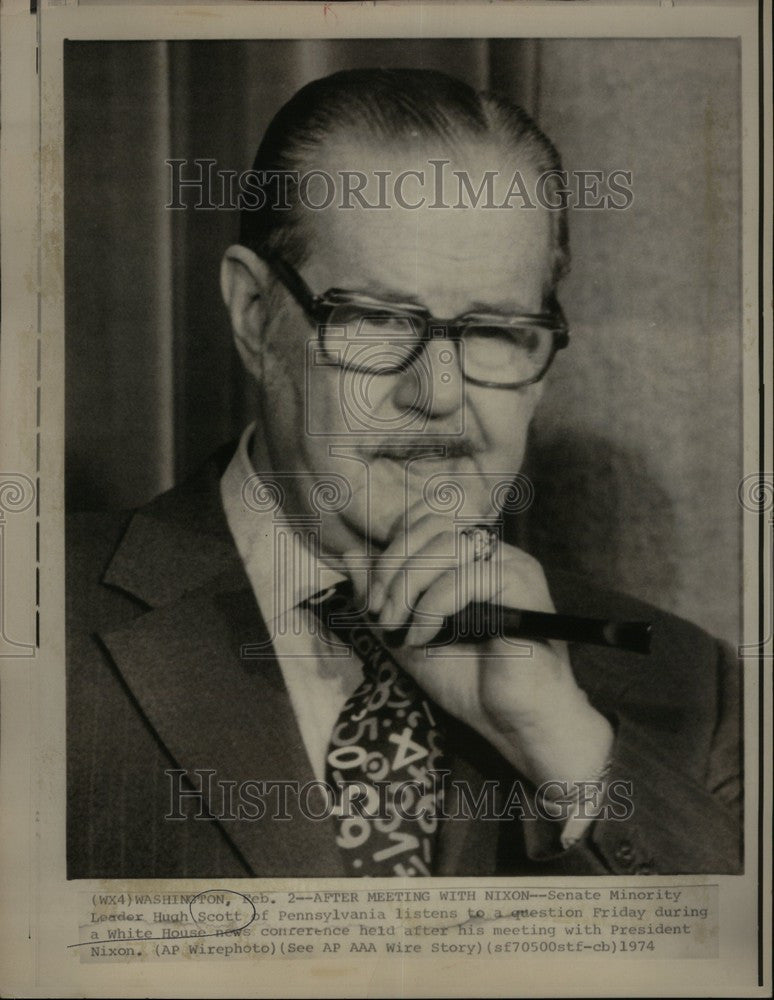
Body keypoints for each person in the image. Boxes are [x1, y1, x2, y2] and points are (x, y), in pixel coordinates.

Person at [67, 68, 741, 878]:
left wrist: (563, 752)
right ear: (254, 316)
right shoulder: (33, 625)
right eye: (380, 320)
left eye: (494, 329)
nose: (439, 396)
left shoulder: (681, 684)